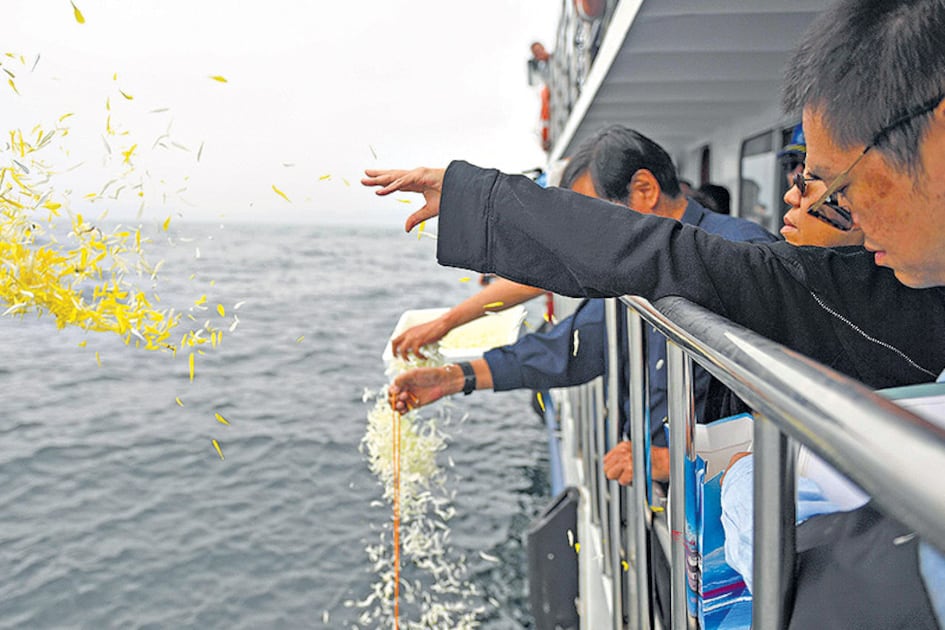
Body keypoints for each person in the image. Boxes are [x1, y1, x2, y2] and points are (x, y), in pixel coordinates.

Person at [386, 125, 777, 484]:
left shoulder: (743, 253)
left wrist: (685, 460)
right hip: (665, 507)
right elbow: (569, 347)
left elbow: (793, 418)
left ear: (644, 189)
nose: (586, 243)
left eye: (594, 220)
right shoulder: (634, 275)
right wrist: (452, 378)